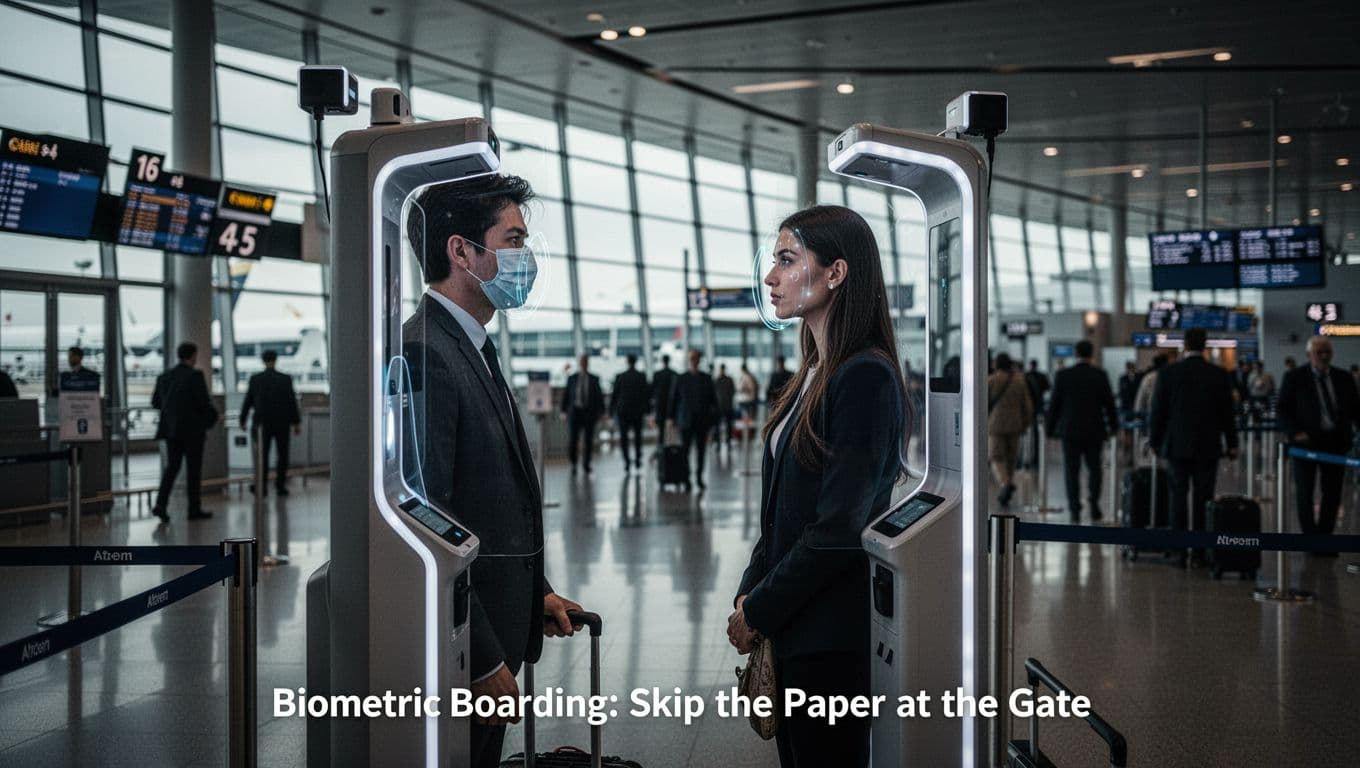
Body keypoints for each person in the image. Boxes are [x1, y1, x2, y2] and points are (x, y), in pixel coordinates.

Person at [401, 174, 584, 767]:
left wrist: (538, 592)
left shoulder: (472, 344)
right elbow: (431, 515)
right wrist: (478, 656)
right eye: (513, 240)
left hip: (496, 619)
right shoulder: (425, 349)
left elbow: (498, 498)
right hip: (465, 644)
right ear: (461, 251)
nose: (524, 257)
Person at [728, 206, 906, 768]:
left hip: (830, 635)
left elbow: (838, 528)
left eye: (787, 260)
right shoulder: (813, 371)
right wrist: (751, 588)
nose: (771, 277)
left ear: (836, 273)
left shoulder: (864, 376)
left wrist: (761, 607)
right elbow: (782, 510)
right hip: (796, 622)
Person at [1148, 328, 1238, 558]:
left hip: (1176, 444)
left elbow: (1157, 411)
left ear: (1184, 345)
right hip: (1208, 444)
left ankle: (1178, 550)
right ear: (1204, 345)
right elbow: (1227, 413)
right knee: (1204, 496)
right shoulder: (1218, 374)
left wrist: (1154, 441)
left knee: (1177, 496)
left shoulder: (1168, 373)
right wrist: (1232, 442)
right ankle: (1200, 551)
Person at [1276, 336, 1360, 542]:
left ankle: (1325, 538)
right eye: (1318, 352)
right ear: (1308, 355)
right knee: (1304, 492)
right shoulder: (1295, 377)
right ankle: (1310, 538)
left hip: (1336, 443)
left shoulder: (1343, 378)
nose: (1323, 356)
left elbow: (1356, 410)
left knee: (1332, 493)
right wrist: (1295, 432)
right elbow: (1283, 408)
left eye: (1327, 352)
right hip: (1305, 444)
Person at [1045, 339, 1118, 521]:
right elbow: (1109, 404)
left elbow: (1054, 405)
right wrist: (1114, 427)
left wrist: (1049, 429)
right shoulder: (1100, 375)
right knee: (1095, 469)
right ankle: (1094, 504)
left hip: (1070, 431)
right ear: (1091, 354)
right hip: (1095, 430)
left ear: (1075, 354)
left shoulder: (1063, 376)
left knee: (1072, 470)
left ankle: (1075, 508)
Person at [151, 342, 218, 522]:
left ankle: (160, 504)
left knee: (172, 467)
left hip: (171, 431)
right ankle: (193, 509)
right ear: (193, 356)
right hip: (192, 431)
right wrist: (212, 419)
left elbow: (156, 402)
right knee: (193, 471)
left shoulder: (164, 377)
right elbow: (203, 403)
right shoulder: (195, 376)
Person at [238, 349, 302, 495]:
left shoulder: (256, 379)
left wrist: (243, 419)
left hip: (261, 423)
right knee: (282, 455)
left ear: (263, 360)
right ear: (276, 359)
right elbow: (291, 402)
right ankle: (280, 486)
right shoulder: (285, 379)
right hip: (282, 422)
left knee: (262, 456)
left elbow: (248, 401)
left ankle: (262, 486)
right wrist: (296, 422)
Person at [669, 348, 719, 490]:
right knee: (685, 451)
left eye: (696, 358)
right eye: (691, 358)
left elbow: (713, 401)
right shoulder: (681, 378)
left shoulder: (706, 378)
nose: (694, 361)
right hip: (685, 420)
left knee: (701, 451)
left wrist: (713, 419)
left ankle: (698, 477)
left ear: (699, 360)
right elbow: (674, 399)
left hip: (702, 421)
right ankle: (686, 478)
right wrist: (670, 417)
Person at [988, 353, 1033, 508]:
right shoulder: (1019, 381)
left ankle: (1005, 482)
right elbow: (1027, 405)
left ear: (996, 364)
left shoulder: (991, 380)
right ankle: (1007, 484)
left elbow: (983, 403)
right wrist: (1025, 423)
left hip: (996, 425)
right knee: (1011, 458)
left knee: (996, 457)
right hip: (1015, 425)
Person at [561, 353, 605, 476]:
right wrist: (563, 411)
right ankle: (574, 463)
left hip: (589, 413)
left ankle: (586, 464)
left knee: (588, 440)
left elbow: (599, 396)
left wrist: (602, 412)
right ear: (580, 363)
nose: (584, 363)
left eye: (586, 361)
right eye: (582, 361)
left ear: (588, 363)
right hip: (575, 412)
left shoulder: (594, 378)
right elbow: (566, 395)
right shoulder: (572, 378)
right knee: (573, 439)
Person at [610, 354, 649, 472]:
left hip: (623, 412)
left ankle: (627, 461)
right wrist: (647, 411)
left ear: (627, 362)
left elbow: (615, 395)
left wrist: (611, 411)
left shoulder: (620, 376)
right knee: (638, 437)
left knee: (624, 438)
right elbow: (645, 395)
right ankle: (637, 459)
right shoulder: (641, 376)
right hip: (637, 412)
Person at [1024, 359, 1051, 467]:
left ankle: (1027, 458)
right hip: (1038, 407)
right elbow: (1048, 387)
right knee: (1037, 433)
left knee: (1027, 433)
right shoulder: (1041, 376)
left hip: (1027, 408)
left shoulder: (1025, 376)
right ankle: (1036, 458)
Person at [651, 354, 677, 445]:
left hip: (660, 405)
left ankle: (661, 448)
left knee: (661, 429)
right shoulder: (674, 374)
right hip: (672, 405)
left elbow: (652, 391)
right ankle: (671, 448)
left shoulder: (657, 374)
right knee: (673, 429)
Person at [714, 363, 737, 449]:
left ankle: (727, 442)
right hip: (721, 406)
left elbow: (733, 391)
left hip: (726, 406)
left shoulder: (721, 380)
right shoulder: (718, 380)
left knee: (727, 425)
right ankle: (719, 443)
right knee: (720, 426)